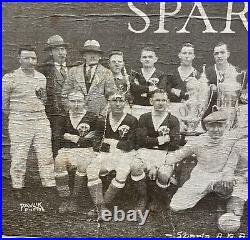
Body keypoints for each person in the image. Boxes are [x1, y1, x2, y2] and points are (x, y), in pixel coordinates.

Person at [2, 45, 56, 199]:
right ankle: (17, 185)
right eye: (26, 58)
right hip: (20, 119)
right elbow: (4, 104)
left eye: (33, 58)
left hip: (40, 118)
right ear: (19, 59)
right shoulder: (9, 78)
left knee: (45, 153)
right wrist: (18, 115)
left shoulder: (41, 77)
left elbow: (43, 100)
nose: (31, 61)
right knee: (19, 154)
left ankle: (49, 184)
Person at [165, 110, 238, 213]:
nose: (216, 130)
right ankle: (208, 191)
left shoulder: (231, 139)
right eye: (212, 126)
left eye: (220, 126)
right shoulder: (197, 141)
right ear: (206, 127)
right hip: (202, 175)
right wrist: (161, 162)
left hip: (222, 175)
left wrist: (228, 176)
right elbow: (179, 154)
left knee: (228, 186)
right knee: (176, 206)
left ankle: (220, 197)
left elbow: (233, 162)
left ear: (225, 126)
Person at [86, 92, 142, 219]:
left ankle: (103, 204)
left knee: (122, 172)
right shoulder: (103, 120)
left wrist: (111, 141)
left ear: (126, 102)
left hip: (125, 155)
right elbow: (97, 142)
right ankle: (101, 207)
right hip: (106, 154)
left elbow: (132, 144)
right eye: (114, 101)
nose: (117, 104)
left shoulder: (132, 120)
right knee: (91, 169)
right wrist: (112, 144)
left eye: (121, 101)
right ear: (108, 102)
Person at [136, 89, 180, 212]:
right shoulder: (144, 118)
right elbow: (140, 140)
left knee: (164, 173)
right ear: (151, 101)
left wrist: (155, 165)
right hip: (146, 151)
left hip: (164, 153)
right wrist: (163, 139)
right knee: (135, 167)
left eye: (163, 100)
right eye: (157, 100)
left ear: (168, 102)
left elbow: (174, 143)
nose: (160, 103)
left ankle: (156, 199)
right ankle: (142, 197)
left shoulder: (173, 120)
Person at [54, 91, 98, 214]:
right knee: (59, 162)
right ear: (68, 102)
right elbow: (57, 135)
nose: (76, 104)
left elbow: (95, 138)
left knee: (83, 165)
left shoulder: (92, 116)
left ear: (84, 102)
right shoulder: (63, 117)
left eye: (79, 101)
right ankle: (64, 199)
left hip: (86, 150)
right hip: (67, 150)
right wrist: (78, 138)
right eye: (73, 101)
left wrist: (70, 136)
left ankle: (74, 199)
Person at [62, 40, 117, 116]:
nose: (93, 56)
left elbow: (113, 97)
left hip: (98, 116)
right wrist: (71, 111)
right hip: (76, 115)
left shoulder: (107, 73)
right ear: (84, 55)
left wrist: (103, 115)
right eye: (89, 53)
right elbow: (65, 94)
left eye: (96, 53)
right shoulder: (73, 71)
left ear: (100, 56)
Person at [39, 35, 70, 158]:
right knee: (56, 140)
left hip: (73, 112)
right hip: (54, 114)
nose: (61, 53)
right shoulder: (44, 71)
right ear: (51, 53)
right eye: (57, 50)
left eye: (63, 49)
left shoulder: (74, 68)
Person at [203, 42, 247, 127]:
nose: (219, 56)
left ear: (228, 54)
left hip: (232, 113)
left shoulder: (237, 72)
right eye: (216, 53)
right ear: (213, 55)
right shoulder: (207, 72)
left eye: (222, 52)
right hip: (212, 113)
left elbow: (241, 95)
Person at [130, 47, 168, 117]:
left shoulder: (161, 74)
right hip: (137, 107)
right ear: (140, 59)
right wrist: (149, 89)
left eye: (150, 57)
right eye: (144, 57)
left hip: (154, 109)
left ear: (155, 59)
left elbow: (160, 91)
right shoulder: (135, 73)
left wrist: (141, 89)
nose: (147, 59)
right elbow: (133, 88)